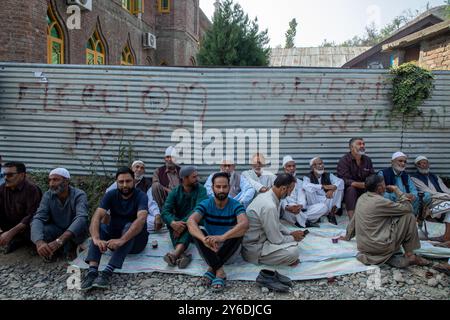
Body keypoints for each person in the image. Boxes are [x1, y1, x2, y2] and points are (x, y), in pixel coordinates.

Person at [81, 167, 149, 291]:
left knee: (130, 225)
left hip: (135, 242)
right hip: (115, 240)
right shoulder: (111, 195)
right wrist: (96, 239)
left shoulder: (141, 196)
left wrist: (122, 240)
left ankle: (107, 273)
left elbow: (141, 219)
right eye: (121, 182)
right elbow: (97, 216)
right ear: (116, 182)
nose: (124, 185)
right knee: (100, 227)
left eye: (128, 181)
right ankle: (92, 272)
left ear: (133, 181)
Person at [341, 175, 430, 268]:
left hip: (363, 247)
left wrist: (347, 236)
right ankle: (410, 255)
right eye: (384, 184)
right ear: (379, 188)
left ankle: (390, 257)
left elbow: (354, 219)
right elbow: (408, 208)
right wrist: (397, 190)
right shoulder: (380, 201)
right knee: (409, 216)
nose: (386, 186)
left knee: (393, 217)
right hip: (380, 246)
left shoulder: (362, 198)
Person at [187, 172, 249, 292]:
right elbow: (191, 221)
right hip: (209, 248)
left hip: (228, 250)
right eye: (218, 187)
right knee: (196, 232)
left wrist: (222, 237)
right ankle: (219, 271)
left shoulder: (235, 205)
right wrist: (204, 239)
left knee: (239, 231)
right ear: (213, 188)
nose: (221, 190)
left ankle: (212, 268)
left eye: (225, 187)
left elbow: (245, 224)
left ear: (229, 187)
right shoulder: (206, 203)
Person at [242, 173, 306, 266]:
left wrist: (290, 233)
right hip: (255, 249)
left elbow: (275, 222)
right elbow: (276, 240)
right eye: (291, 190)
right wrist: (293, 237)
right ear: (283, 189)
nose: (290, 194)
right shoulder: (269, 206)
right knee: (293, 252)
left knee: (292, 243)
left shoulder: (268, 196)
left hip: (263, 240)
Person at [31, 168, 88, 261]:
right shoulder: (48, 195)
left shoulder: (79, 195)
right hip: (57, 230)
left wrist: (60, 240)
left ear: (66, 181)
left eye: (56, 180)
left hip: (75, 233)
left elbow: (81, 218)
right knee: (41, 229)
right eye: (50, 180)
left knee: (81, 225)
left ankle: (69, 249)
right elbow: (39, 217)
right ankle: (50, 251)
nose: (51, 184)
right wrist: (39, 242)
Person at [161, 166, 208, 268]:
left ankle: (175, 254)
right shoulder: (174, 192)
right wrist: (173, 223)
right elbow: (165, 212)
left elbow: (198, 209)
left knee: (191, 224)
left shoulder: (201, 189)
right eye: (194, 177)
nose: (197, 179)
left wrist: (181, 226)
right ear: (185, 178)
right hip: (182, 225)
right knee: (171, 223)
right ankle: (182, 255)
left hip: (198, 223)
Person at [106, 160, 162, 232]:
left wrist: (157, 215)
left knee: (155, 222)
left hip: (140, 215)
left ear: (144, 172)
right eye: (137, 167)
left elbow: (150, 202)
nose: (139, 170)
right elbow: (108, 193)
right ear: (131, 169)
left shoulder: (147, 184)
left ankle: (129, 227)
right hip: (123, 213)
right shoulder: (123, 180)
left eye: (142, 168)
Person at [0, 162, 42, 254]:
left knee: (34, 224)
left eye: (10, 175)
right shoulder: (2, 188)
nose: (6, 178)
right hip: (9, 225)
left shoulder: (32, 190)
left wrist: (10, 233)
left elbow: (32, 215)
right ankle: (15, 239)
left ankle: (23, 241)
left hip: (26, 228)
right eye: (4, 175)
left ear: (22, 175)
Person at [280, 156, 328, 228]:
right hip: (288, 210)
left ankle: (300, 220)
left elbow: (302, 197)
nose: (292, 168)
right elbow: (280, 199)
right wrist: (287, 207)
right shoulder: (280, 181)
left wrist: (300, 206)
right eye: (289, 166)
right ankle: (306, 222)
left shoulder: (299, 182)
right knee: (291, 210)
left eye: (293, 166)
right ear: (284, 168)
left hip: (300, 210)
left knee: (323, 207)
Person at [411, 155, 450, 242]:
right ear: (417, 166)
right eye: (421, 163)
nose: (424, 165)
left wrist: (448, 195)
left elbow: (445, 189)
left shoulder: (435, 176)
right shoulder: (414, 177)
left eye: (426, 163)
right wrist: (445, 196)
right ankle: (447, 236)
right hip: (431, 200)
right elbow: (427, 191)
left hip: (443, 198)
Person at [337, 137, 374, 220]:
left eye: (363, 144)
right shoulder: (344, 160)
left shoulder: (367, 160)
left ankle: (372, 218)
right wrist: (359, 184)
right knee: (351, 189)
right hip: (350, 190)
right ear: (351, 147)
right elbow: (343, 179)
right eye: (359, 144)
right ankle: (352, 220)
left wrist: (369, 184)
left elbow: (372, 176)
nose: (362, 146)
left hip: (365, 187)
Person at [303, 157, 344, 225]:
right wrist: (322, 186)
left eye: (322, 163)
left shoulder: (328, 175)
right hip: (315, 203)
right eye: (319, 164)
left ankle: (332, 214)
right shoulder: (307, 177)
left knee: (339, 188)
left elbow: (341, 181)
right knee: (308, 190)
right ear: (313, 167)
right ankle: (317, 214)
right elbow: (305, 185)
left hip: (327, 199)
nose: (321, 166)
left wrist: (333, 189)